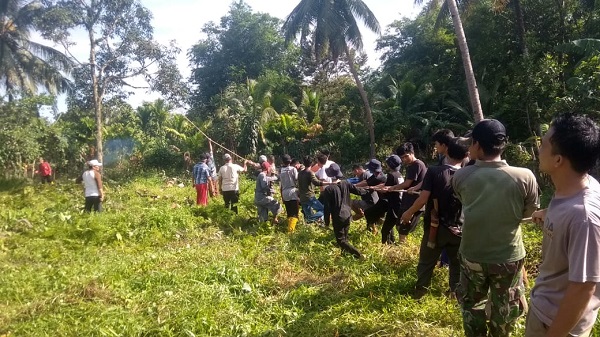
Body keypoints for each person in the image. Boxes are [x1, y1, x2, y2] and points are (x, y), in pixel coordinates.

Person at [452, 119, 539, 337]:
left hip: (472, 254)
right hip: (508, 256)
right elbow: (528, 213)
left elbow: (463, 201)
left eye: (471, 143)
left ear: (477, 145)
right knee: (505, 309)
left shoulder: (461, 176)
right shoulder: (525, 176)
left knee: (473, 306)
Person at [526, 114, 600, 337]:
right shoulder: (578, 187)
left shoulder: (583, 218)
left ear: (558, 160)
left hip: (555, 323)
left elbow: (583, 288)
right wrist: (549, 214)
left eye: (544, 143)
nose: (539, 148)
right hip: (545, 308)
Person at [400, 137, 469, 299]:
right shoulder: (467, 174)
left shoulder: (434, 171)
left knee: (426, 261)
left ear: (448, 152)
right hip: (460, 228)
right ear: (465, 155)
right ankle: (455, 294)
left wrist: (409, 212)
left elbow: (423, 198)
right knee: (456, 263)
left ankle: (420, 293)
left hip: (435, 228)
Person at [319, 163, 370, 258]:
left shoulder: (329, 189)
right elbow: (358, 191)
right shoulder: (345, 183)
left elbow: (327, 208)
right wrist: (372, 190)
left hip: (338, 217)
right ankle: (344, 256)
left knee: (341, 241)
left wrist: (326, 222)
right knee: (345, 238)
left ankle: (359, 255)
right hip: (348, 215)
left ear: (329, 175)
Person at [389, 142, 427, 243]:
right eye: (402, 157)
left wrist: (393, 187)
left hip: (414, 202)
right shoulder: (411, 166)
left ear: (412, 153)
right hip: (408, 201)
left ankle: (402, 249)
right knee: (399, 225)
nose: (404, 159)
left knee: (403, 228)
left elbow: (407, 183)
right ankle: (403, 246)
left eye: (406, 156)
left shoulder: (417, 165)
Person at [351, 159, 386, 225]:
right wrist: (354, 185)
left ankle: (373, 226)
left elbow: (366, 183)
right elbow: (365, 182)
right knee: (370, 214)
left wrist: (352, 187)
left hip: (378, 200)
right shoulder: (376, 175)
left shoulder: (378, 177)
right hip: (379, 200)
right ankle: (374, 225)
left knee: (369, 213)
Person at [298, 155, 327, 224]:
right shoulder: (310, 172)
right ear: (311, 163)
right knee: (323, 209)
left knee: (308, 215)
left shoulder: (300, 173)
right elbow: (316, 183)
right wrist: (330, 183)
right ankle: (310, 219)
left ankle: (310, 222)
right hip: (309, 197)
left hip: (302, 198)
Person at [280, 154, 300, 232]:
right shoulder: (293, 169)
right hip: (292, 192)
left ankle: (291, 228)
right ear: (290, 161)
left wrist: (282, 197)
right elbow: (297, 179)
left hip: (284, 192)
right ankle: (291, 231)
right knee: (294, 213)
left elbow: (280, 186)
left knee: (289, 212)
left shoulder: (280, 171)